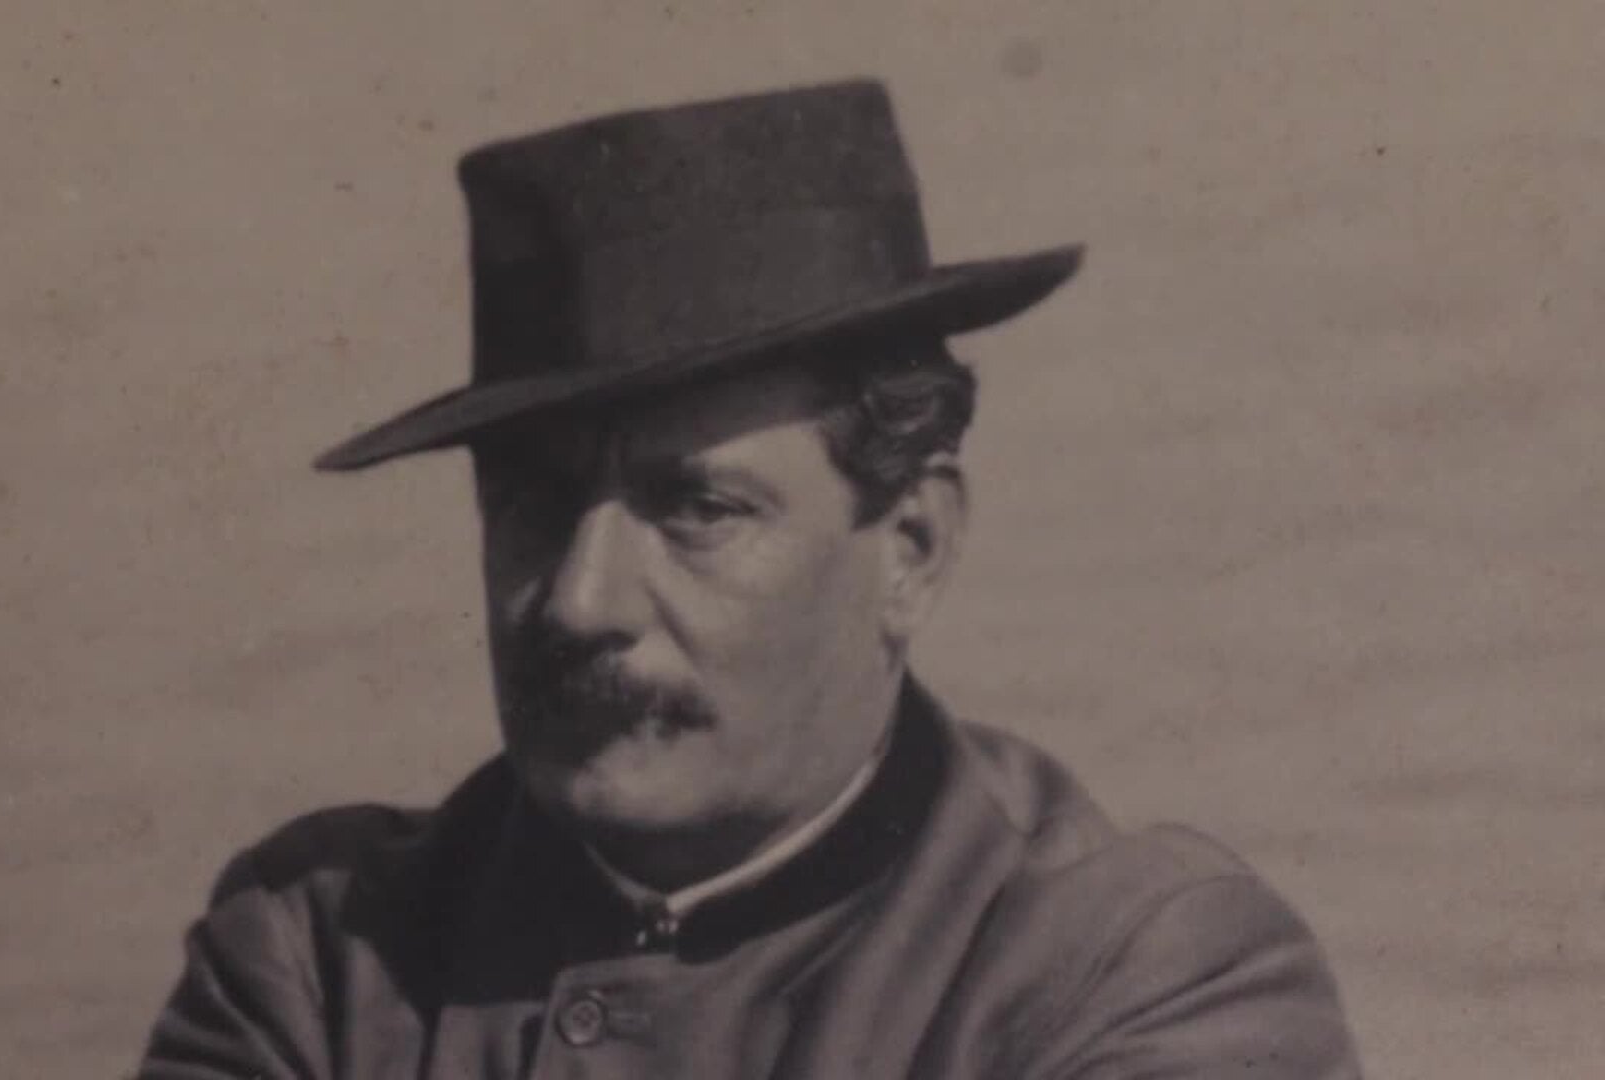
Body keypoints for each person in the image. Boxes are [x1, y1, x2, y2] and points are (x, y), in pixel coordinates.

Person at [135, 79, 1362, 1079]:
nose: (580, 601)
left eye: (699, 509)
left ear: (912, 547)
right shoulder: (319, 957)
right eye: (531, 505)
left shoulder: (1133, 973)